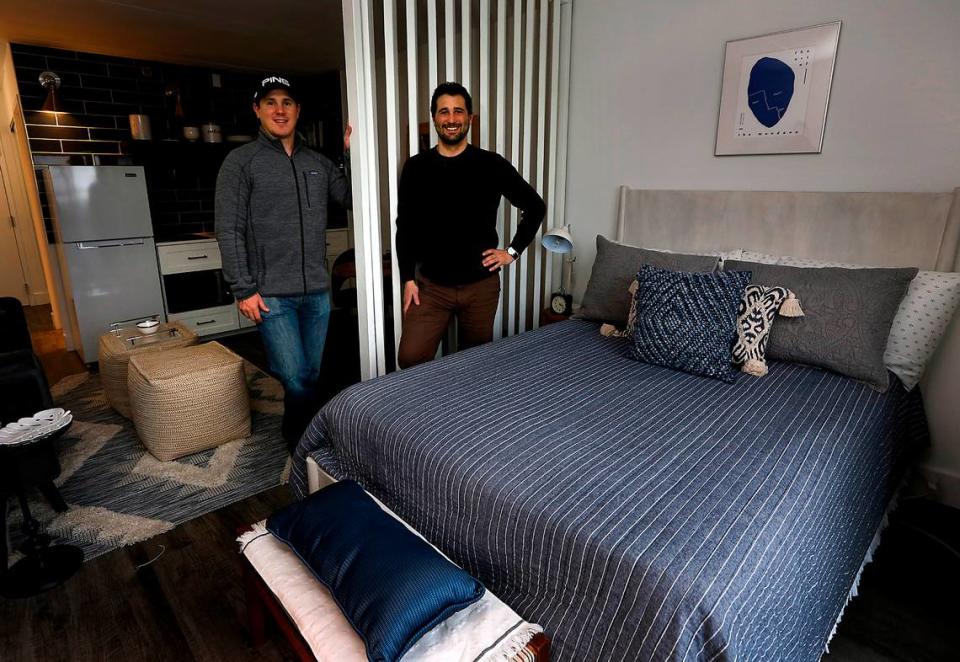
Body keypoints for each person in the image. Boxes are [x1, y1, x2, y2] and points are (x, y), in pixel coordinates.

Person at [215, 75, 351, 450]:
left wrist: (351, 154)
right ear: (257, 110)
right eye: (270, 102)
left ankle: (305, 435)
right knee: (294, 377)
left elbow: (352, 197)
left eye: (287, 102)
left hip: (317, 292)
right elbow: (228, 228)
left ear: (297, 110)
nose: (279, 109)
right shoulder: (241, 162)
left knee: (311, 373)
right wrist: (243, 289)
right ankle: (301, 440)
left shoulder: (318, 164)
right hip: (272, 293)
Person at [395, 82, 546, 368]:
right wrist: (408, 279)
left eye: (458, 111)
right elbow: (406, 226)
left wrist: (511, 252)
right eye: (444, 112)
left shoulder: (491, 164)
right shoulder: (416, 168)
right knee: (410, 358)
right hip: (431, 286)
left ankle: (462, 412)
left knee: (473, 365)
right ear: (435, 118)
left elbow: (535, 206)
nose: (451, 119)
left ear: (470, 118)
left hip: (480, 286)